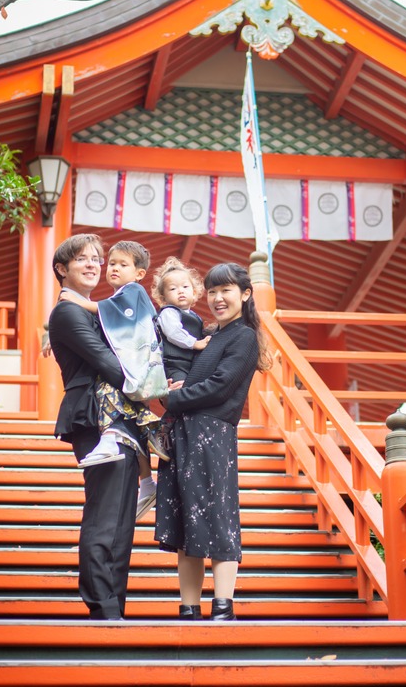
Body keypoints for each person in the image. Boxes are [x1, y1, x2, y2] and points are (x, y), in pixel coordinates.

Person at [154, 262, 272, 621]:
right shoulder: (206, 335)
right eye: (213, 291)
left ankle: (223, 608)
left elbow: (220, 387)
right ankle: (188, 609)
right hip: (183, 433)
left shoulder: (243, 336)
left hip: (212, 434)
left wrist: (172, 397)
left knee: (218, 517)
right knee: (185, 522)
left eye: (226, 290)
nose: (218, 298)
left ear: (245, 294)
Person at [47, 234, 137, 621]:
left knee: (121, 518)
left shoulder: (92, 311)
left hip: (118, 416)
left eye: (97, 259)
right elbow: (110, 364)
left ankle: (114, 607)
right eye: (82, 258)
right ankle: (103, 606)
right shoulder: (68, 313)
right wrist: (154, 386)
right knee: (106, 512)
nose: (93, 264)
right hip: (94, 416)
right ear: (61, 269)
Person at [58, 240, 168, 520]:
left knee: (110, 393)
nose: (112, 268)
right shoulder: (121, 296)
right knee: (133, 422)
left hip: (137, 367)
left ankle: (113, 441)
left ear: (139, 273)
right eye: (112, 263)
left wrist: (80, 302)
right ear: (61, 269)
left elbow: (107, 313)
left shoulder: (132, 292)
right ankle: (147, 481)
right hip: (134, 370)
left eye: (122, 264)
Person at [151, 256, 211, 383]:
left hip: (191, 364)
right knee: (181, 387)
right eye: (173, 288)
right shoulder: (168, 312)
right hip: (174, 364)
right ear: (163, 298)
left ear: (194, 292)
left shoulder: (195, 317)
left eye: (185, 287)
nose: (180, 291)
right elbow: (173, 332)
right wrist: (195, 343)